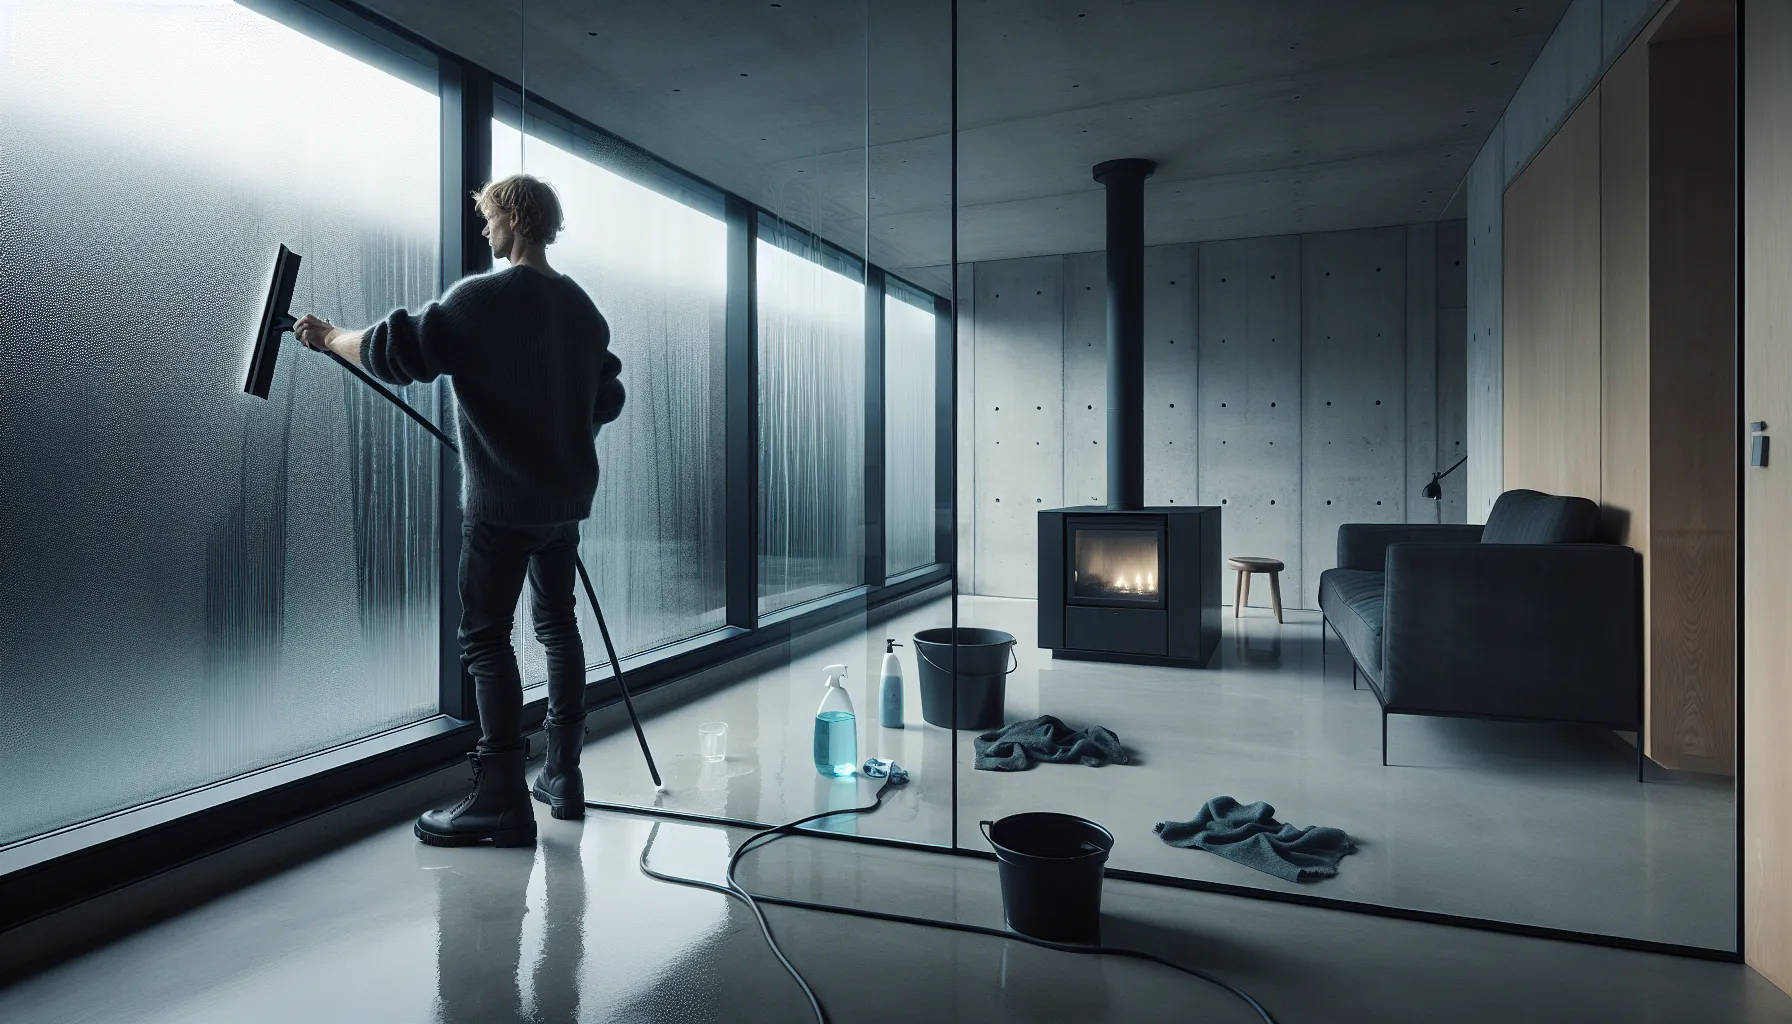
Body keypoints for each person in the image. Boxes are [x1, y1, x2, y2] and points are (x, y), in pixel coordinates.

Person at [296, 173, 622, 848]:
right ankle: (563, 774)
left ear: (516, 220)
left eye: (489, 216)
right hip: (562, 506)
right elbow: (607, 398)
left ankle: (501, 797)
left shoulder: (485, 299)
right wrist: (555, 421)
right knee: (558, 626)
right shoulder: (584, 312)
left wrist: (328, 338)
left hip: (503, 506)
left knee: (484, 637)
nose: (484, 229)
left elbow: (397, 351)